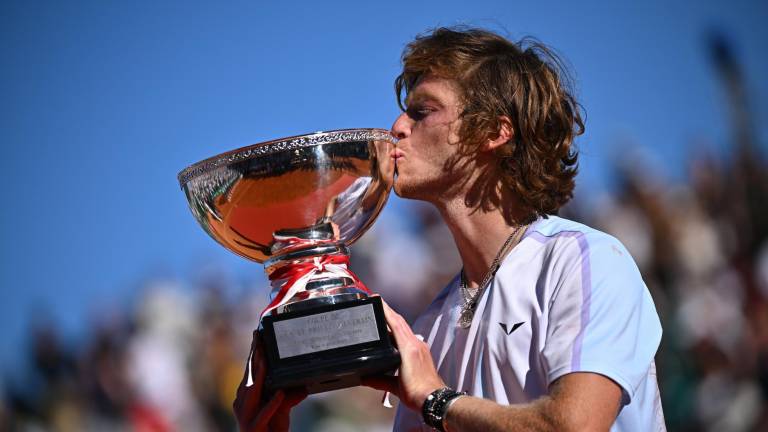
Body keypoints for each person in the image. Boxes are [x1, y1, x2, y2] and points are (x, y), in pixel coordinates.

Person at [234, 26, 665, 431]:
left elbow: (575, 425)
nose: (397, 127)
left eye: (422, 111)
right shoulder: (429, 327)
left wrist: (437, 399)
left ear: (495, 133)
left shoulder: (584, 260)